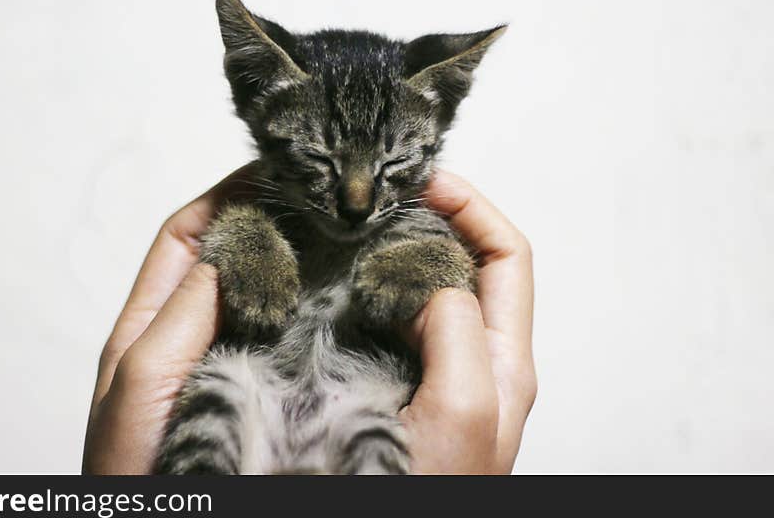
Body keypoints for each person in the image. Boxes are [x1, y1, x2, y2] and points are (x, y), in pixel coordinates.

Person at [82, 167, 536, 474]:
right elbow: (230, 236)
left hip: (365, 411)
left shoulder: (421, 221)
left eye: (392, 162)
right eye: (320, 159)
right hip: (246, 402)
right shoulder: (266, 212)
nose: (357, 201)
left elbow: (453, 266)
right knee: (220, 387)